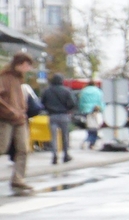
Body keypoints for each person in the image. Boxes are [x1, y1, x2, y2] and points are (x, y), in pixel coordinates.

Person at [1, 53, 34, 195]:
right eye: (27, 65)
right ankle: (18, 180)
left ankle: (18, 180)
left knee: (23, 149)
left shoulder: (19, 79)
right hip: (6, 119)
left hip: (20, 119)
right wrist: (11, 111)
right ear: (19, 64)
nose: (28, 68)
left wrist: (22, 110)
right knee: (1, 147)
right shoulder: (4, 77)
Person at [39, 74, 76, 164]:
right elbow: (72, 103)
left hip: (52, 116)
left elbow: (41, 103)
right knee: (65, 137)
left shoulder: (46, 91)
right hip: (64, 115)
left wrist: (48, 109)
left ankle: (54, 156)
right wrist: (68, 109)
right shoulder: (66, 91)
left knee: (53, 137)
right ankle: (66, 155)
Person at [75, 79, 105, 149]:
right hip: (96, 110)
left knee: (90, 127)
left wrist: (82, 109)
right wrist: (102, 110)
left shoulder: (83, 91)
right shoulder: (98, 91)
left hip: (86, 111)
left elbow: (81, 102)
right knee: (95, 128)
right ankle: (91, 143)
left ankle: (89, 142)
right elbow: (101, 101)